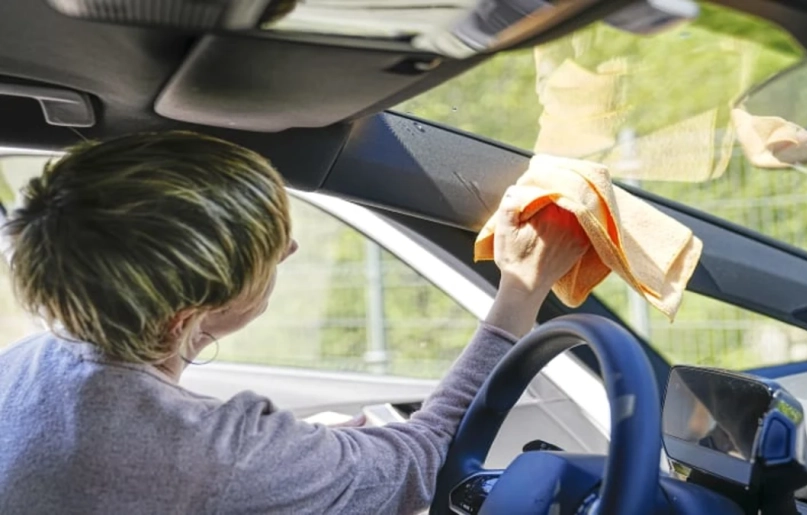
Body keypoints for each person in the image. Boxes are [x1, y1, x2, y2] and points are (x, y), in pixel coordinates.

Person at [0, 131, 588, 514]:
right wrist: (522, 289)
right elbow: (421, 459)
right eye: (267, 253)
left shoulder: (25, 367)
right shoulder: (211, 450)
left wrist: (298, 455)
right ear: (189, 317)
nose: (292, 248)